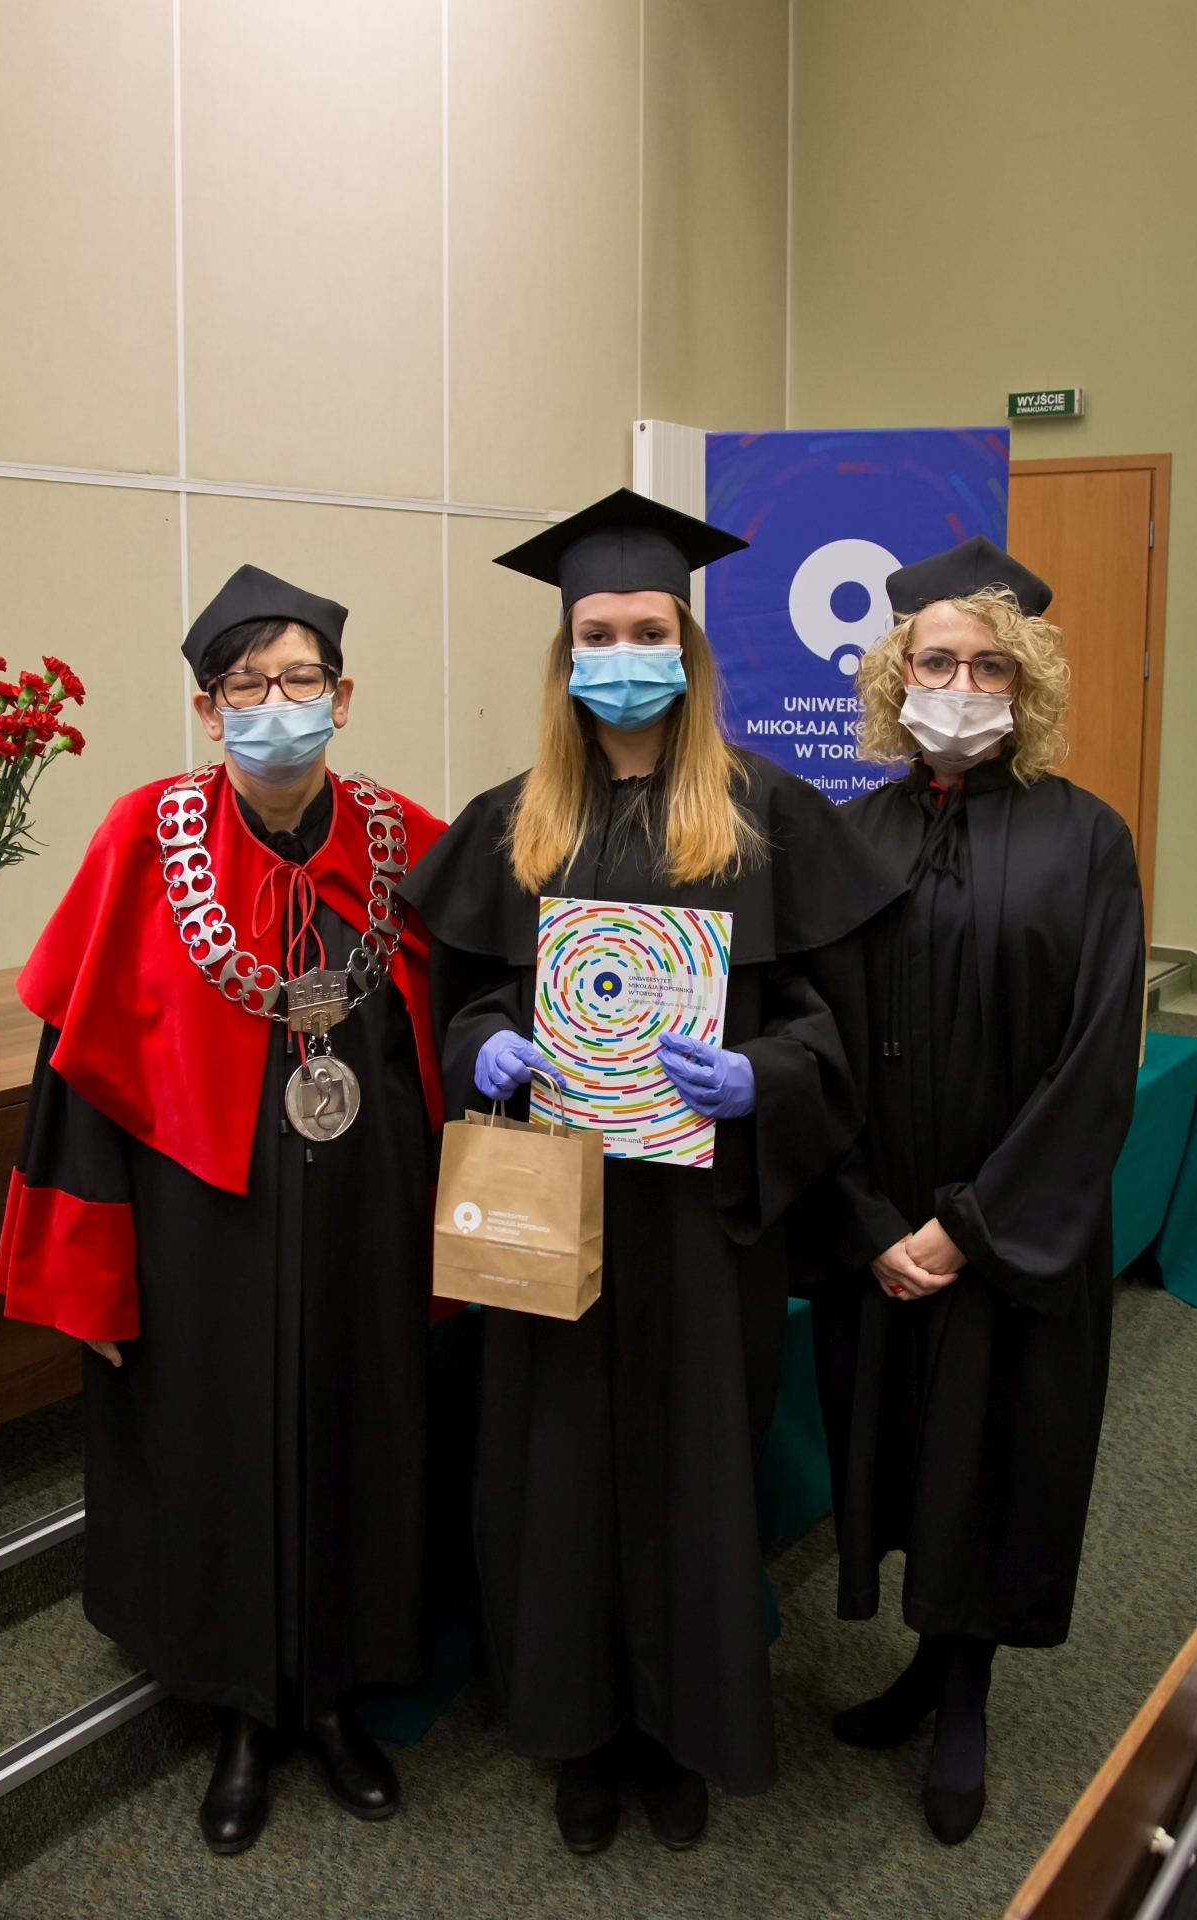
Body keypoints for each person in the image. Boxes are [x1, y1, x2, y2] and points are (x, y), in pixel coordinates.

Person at [399, 489, 902, 1855]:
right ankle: (578, 1734)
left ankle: (681, 1736)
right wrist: (486, 1046)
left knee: (693, 1474)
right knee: (553, 1476)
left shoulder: (767, 816)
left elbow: (833, 1027)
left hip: (699, 1223)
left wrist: (765, 1078)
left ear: (689, 646)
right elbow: (460, 1002)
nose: (623, 655)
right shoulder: (512, 822)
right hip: (549, 1213)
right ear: (566, 655)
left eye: (648, 630)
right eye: (598, 634)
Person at [0, 565, 446, 1854]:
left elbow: (461, 1017)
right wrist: (90, 1268)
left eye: (300, 680)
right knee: (213, 1444)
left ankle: (337, 1697)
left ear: (342, 698)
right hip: (201, 1221)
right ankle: (243, 1710)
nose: (275, 704)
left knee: (361, 1425)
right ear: (208, 710)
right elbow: (78, 1070)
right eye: (246, 686)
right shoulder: (147, 840)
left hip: (364, 1213)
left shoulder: (407, 839)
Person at [811, 537, 1144, 1845]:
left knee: (996, 1456)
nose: (961, 685)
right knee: (902, 1446)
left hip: (1010, 1231)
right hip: (884, 1225)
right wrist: (867, 1221)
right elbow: (813, 1044)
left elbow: (1098, 1055)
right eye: (938, 662)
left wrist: (971, 1228)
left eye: (990, 666)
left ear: (1028, 684)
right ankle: (921, 1666)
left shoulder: (1086, 838)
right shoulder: (848, 837)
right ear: (896, 676)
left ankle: (965, 1697)